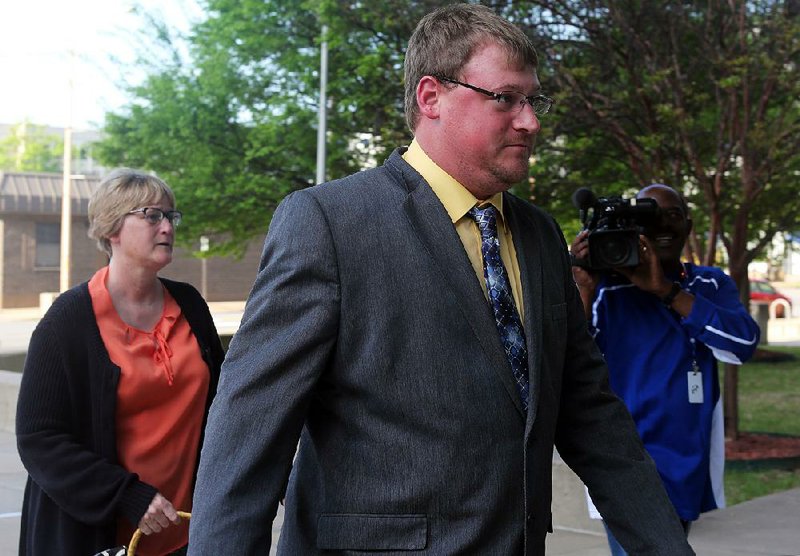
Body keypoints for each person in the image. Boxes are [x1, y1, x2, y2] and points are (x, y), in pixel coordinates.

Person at [189, 5, 693, 555]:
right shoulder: (329, 224)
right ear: (431, 97)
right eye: (505, 98)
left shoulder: (541, 236)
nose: (531, 122)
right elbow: (247, 438)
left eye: (534, 100)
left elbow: (593, 416)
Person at [16, 169, 224, 556]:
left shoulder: (191, 305)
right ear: (112, 228)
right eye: (151, 215)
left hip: (187, 534)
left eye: (170, 216)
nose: (166, 226)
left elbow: (223, 405)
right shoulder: (69, 320)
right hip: (100, 537)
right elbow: (39, 439)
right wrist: (127, 495)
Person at [570, 184, 759, 555]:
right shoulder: (607, 288)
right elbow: (570, 358)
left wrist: (665, 291)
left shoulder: (709, 283)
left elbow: (742, 343)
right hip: (624, 462)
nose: (662, 225)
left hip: (687, 456)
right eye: (649, 215)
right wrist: (582, 287)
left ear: (689, 225)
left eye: (672, 215)